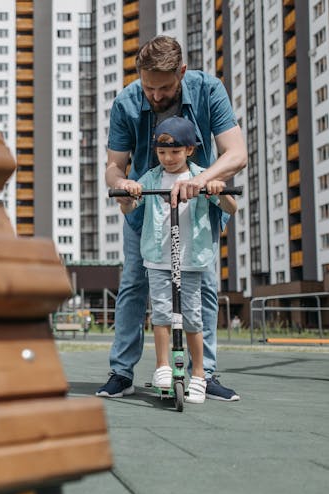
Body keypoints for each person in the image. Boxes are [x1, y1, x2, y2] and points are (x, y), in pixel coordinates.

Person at [96, 35, 247, 401]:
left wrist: (200, 180)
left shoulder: (209, 90)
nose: (155, 95)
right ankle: (122, 372)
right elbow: (114, 166)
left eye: (164, 88)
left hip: (196, 206)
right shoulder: (127, 101)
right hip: (148, 207)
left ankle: (204, 373)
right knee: (134, 283)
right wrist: (125, 183)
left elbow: (236, 153)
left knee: (204, 286)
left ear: (181, 72)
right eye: (149, 86)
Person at [118, 116, 238, 404]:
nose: (168, 158)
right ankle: (162, 366)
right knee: (160, 315)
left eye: (174, 152)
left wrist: (218, 191)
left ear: (189, 150)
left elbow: (231, 208)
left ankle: (199, 374)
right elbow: (130, 208)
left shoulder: (201, 175)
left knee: (193, 318)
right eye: (162, 153)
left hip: (191, 260)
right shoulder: (150, 178)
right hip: (159, 260)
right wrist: (128, 195)